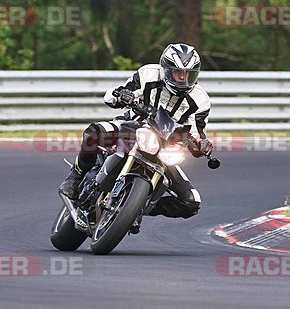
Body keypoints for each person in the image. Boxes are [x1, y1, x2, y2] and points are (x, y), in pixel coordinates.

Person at [58, 43, 213, 220]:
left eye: (188, 74)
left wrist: (203, 145)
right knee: (94, 132)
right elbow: (111, 97)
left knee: (191, 201)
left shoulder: (200, 100)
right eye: (178, 73)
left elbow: (197, 134)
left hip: (165, 148)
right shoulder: (149, 74)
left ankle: (138, 207)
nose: (183, 79)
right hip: (131, 127)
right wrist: (123, 95)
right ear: (166, 69)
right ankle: (75, 177)